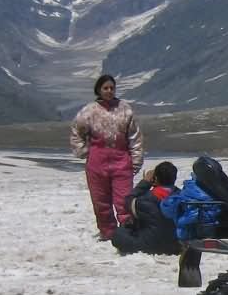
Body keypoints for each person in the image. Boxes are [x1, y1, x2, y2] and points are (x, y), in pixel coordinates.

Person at [70, 74, 145, 240]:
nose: (109, 91)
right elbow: (76, 132)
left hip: (121, 160)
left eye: (112, 88)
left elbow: (135, 137)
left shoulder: (125, 109)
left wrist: (136, 160)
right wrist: (85, 152)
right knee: (100, 200)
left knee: (124, 200)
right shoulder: (89, 111)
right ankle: (107, 232)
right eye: (105, 88)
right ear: (99, 90)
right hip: (97, 162)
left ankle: (128, 231)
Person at [111, 162, 181, 256]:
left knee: (119, 234)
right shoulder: (181, 197)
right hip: (174, 244)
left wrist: (145, 182)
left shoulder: (145, 199)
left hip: (149, 245)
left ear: (155, 178)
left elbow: (128, 202)